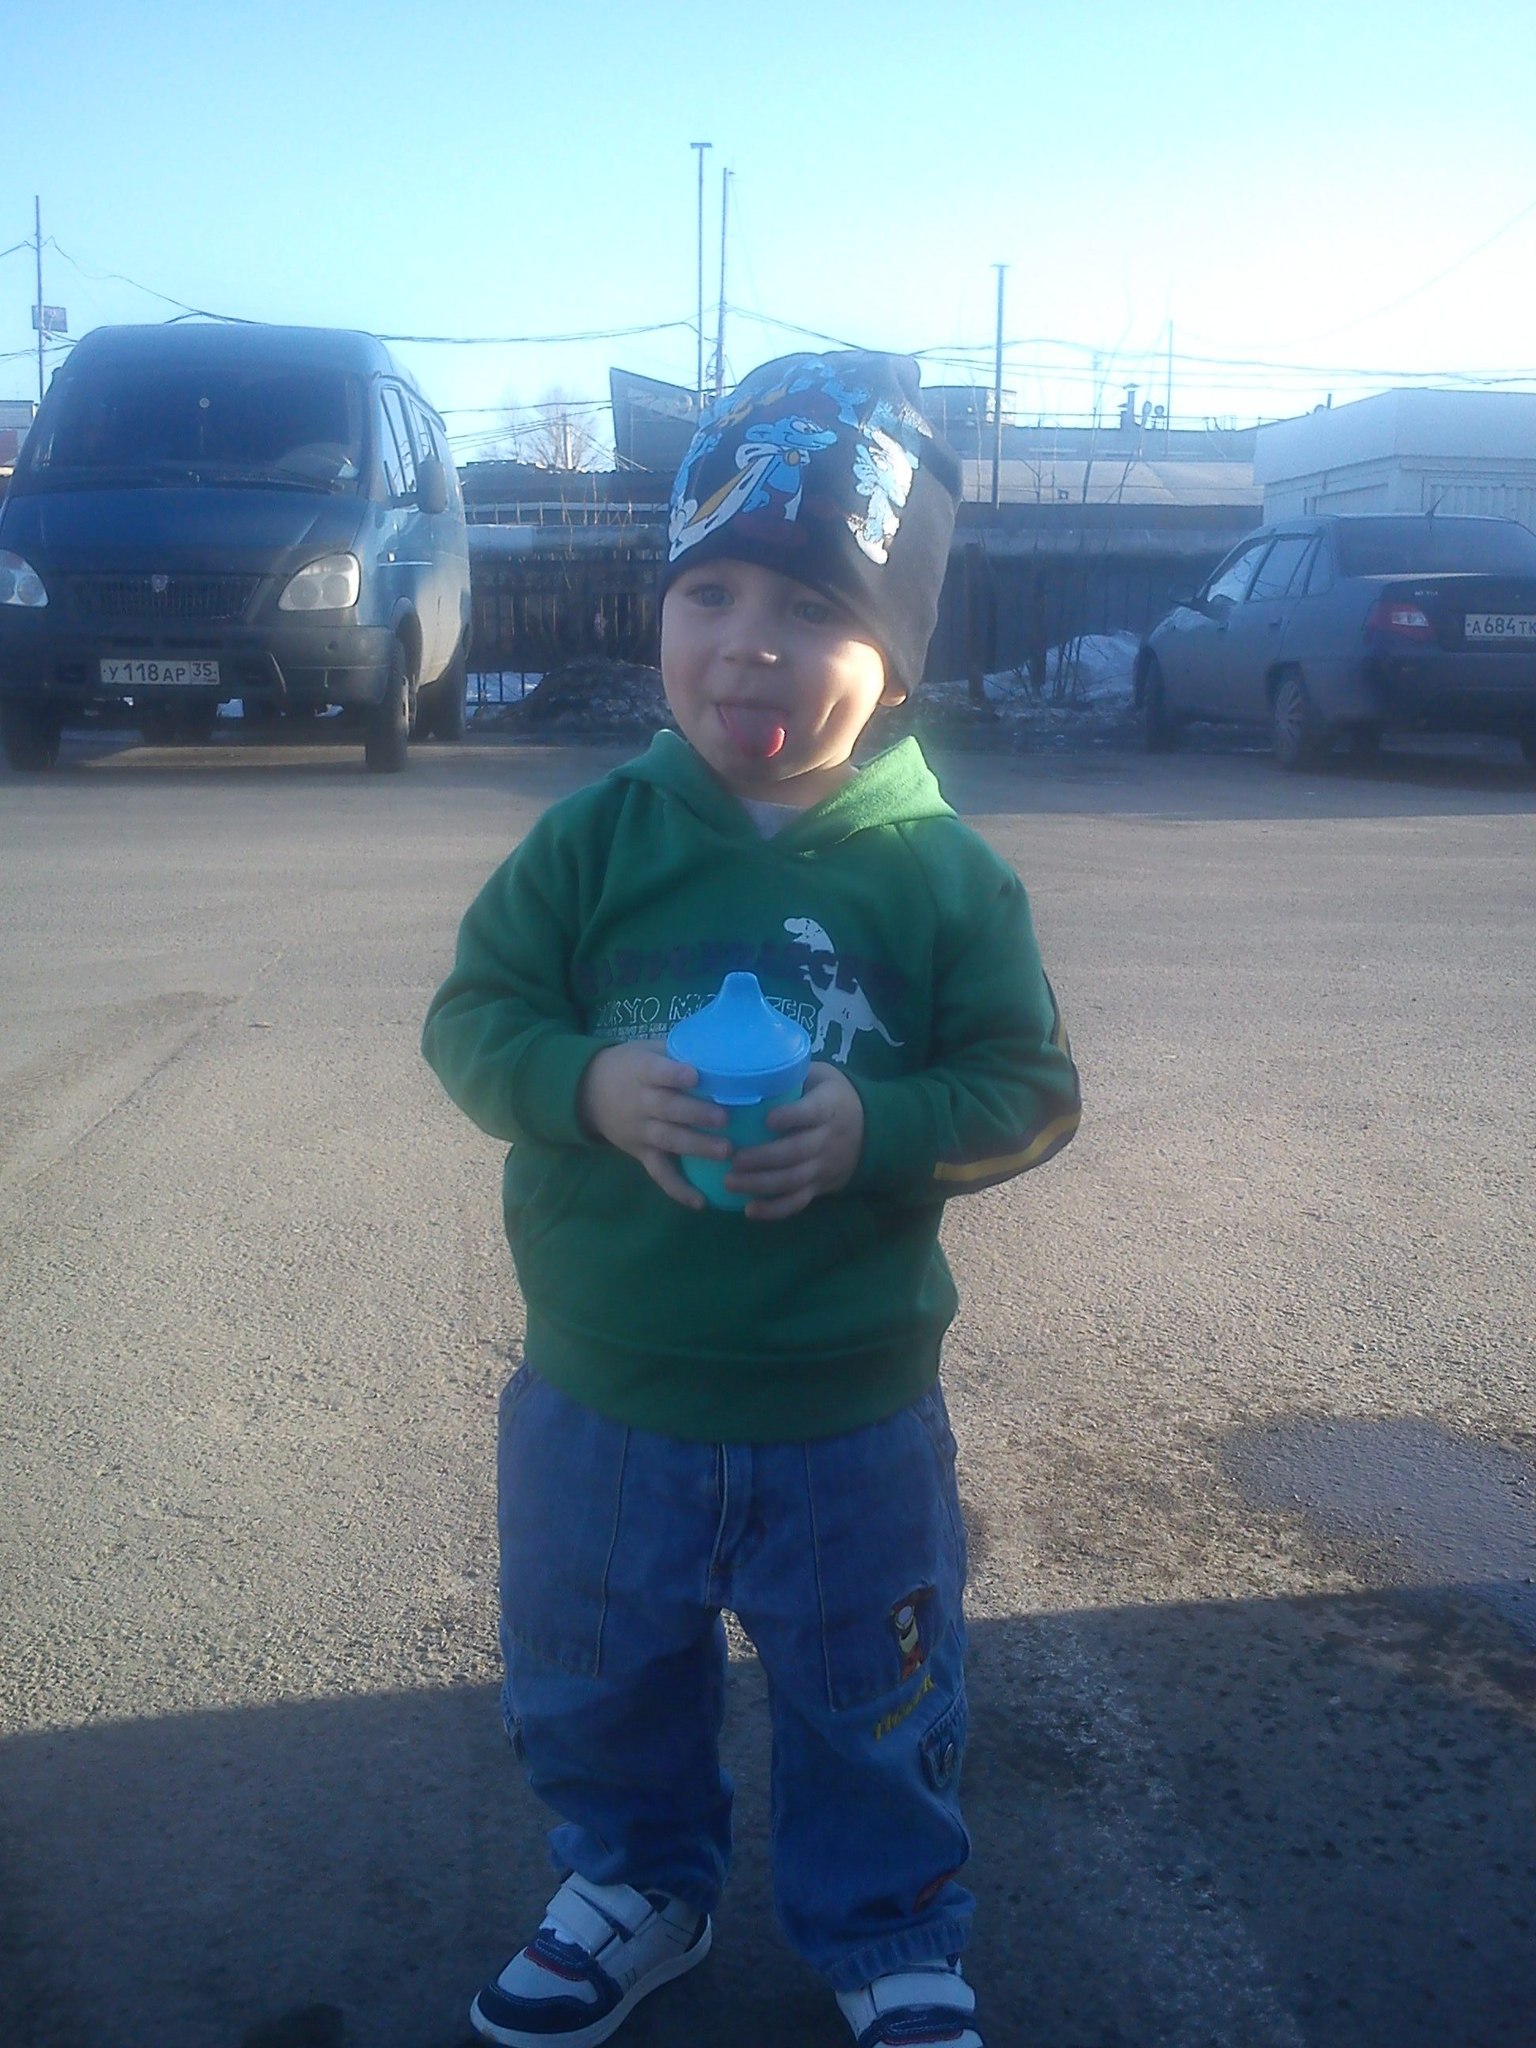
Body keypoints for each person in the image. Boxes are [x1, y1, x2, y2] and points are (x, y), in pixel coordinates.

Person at [422, 351, 1081, 2048]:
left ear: (896, 657)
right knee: (593, 1677)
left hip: (846, 1409)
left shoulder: (943, 876)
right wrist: (581, 1084)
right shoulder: (592, 843)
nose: (747, 643)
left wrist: (877, 1126)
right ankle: (636, 1884)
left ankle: (892, 1930)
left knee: (875, 1696)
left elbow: (1029, 1093)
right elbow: (473, 1020)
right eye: (708, 591)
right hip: (602, 1395)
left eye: (812, 606)